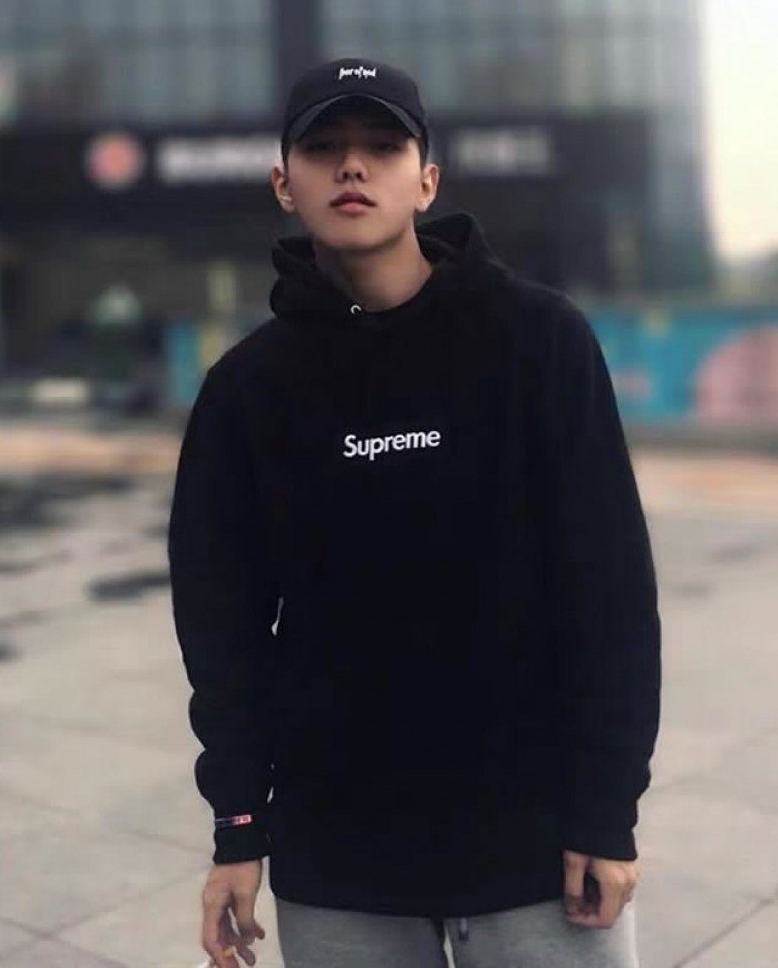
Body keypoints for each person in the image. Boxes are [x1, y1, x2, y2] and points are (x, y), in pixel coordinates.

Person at [169, 58, 661, 968]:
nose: (352, 166)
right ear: (283, 183)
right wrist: (237, 826)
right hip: (339, 859)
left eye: (382, 146)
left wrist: (607, 810)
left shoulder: (540, 342)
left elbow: (611, 594)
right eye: (324, 148)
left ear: (426, 180)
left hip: (537, 846)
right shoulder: (247, 390)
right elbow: (220, 628)